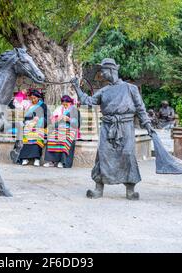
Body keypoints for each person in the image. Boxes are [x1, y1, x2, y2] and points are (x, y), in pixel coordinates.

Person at [71, 58, 155, 200]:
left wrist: (148, 125)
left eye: (103, 71)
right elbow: (88, 101)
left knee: (127, 155)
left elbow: (141, 109)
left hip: (126, 127)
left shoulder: (131, 88)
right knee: (103, 154)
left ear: (111, 70)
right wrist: (76, 88)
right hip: (108, 126)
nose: (102, 75)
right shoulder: (104, 91)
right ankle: (98, 189)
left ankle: (130, 190)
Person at [43, 95, 80, 168]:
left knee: (64, 139)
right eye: (64, 104)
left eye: (67, 104)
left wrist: (69, 120)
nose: (65, 106)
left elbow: (77, 124)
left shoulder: (75, 110)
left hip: (71, 130)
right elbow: (54, 122)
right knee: (51, 138)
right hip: (60, 129)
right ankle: (51, 161)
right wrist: (58, 119)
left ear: (70, 103)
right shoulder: (60, 110)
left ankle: (62, 161)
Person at [18, 89, 48, 167]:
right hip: (29, 125)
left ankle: (36, 158)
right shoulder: (29, 106)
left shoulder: (43, 105)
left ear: (38, 97)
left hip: (39, 126)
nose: (33, 100)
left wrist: (39, 119)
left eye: (35, 98)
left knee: (37, 135)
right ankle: (25, 158)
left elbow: (46, 118)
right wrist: (29, 122)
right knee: (27, 134)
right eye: (32, 98)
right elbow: (25, 118)